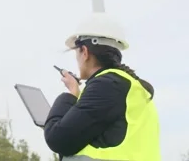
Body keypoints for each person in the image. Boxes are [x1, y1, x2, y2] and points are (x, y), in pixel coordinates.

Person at [44, 12, 161, 161]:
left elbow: (58, 139)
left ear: (84, 52)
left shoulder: (107, 86)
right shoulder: (127, 85)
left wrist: (71, 96)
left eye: (76, 52)